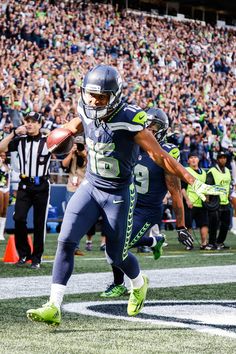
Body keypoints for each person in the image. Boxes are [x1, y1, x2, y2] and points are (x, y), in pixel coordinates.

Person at [26, 65, 225, 326]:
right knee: (65, 241)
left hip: (118, 193)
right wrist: (65, 133)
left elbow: (159, 156)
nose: (95, 101)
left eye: (102, 97)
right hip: (91, 186)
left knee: (115, 254)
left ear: (116, 96)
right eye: (91, 95)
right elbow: (76, 124)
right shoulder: (84, 106)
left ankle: (138, 284)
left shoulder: (130, 117)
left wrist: (192, 180)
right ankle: (54, 305)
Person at [100, 108, 193, 298]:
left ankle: (127, 283)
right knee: (112, 242)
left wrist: (181, 225)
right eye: (147, 124)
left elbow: (175, 192)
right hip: (126, 203)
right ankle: (153, 243)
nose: (149, 129)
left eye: (154, 125)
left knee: (119, 247)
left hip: (147, 211)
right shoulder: (132, 146)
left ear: (163, 129)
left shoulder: (167, 152)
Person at [0, 111, 51, 269]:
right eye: (27, 121)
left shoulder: (48, 142)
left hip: (42, 185)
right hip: (24, 184)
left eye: (33, 121)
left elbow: (65, 145)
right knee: (18, 218)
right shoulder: (19, 141)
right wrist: (14, 132)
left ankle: (36, 258)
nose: (29, 124)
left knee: (39, 223)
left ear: (40, 124)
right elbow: (1, 147)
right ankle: (24, 254)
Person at [62, 136, 106, 253]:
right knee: (71, 218)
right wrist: (71, 152)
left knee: (84, 217)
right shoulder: (72, 154)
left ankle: (82, 242)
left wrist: (83, 154)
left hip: (84, 189)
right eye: (76, 144)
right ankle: (72, 245)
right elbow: (64, 164)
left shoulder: (88, 155)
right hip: (71, 188)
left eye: (80, 145)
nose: (78, 147)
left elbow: (92, 165)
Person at [181, 152, 209, 250]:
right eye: (191, 158)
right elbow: (182, 188)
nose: (193, 159)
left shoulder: (204, 173)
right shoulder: (186, 170)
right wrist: (187, 200)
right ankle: (189, 244)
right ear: (188, 160)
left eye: (195, 157)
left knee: (204, 224)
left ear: (198, 159)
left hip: (201, 202)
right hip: (190, 203)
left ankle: (204, 243)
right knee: (188, 225)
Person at [206, 151, 232, 249]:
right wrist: (208, 200)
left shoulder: (228, 171)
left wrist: (229, 196)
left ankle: (220, 242)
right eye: (221, 158)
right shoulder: (212, 170)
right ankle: (212, 243)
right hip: (215, 203)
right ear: (217, 159)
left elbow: (228, 185)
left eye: (224, 158)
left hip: (225, 202)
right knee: (214, 225)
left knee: (225, 225)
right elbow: (208, 185)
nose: (223, 159)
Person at [0, 152, 11, 240]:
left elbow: (9, 177)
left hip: (6, 188)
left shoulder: (8, 165)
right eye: (1, 156)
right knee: (0, 209)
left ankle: (1, 233)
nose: (3, 157)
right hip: (0, 187)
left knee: (4, 210)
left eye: (4, 156)